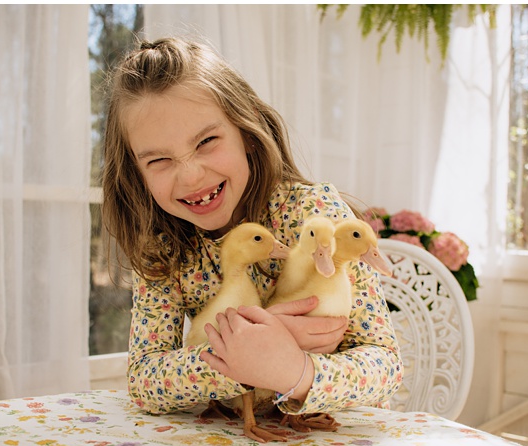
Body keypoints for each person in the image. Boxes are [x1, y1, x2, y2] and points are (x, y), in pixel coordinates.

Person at [103, 38, 400, 418]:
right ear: (136, 176)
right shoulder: (163, 249)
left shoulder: (314, 216)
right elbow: (145, 381)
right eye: (159, 160)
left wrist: (294, 368)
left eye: (206, 141)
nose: (192, 176)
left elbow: (386, 366)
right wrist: (245, 350)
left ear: (247, 133)